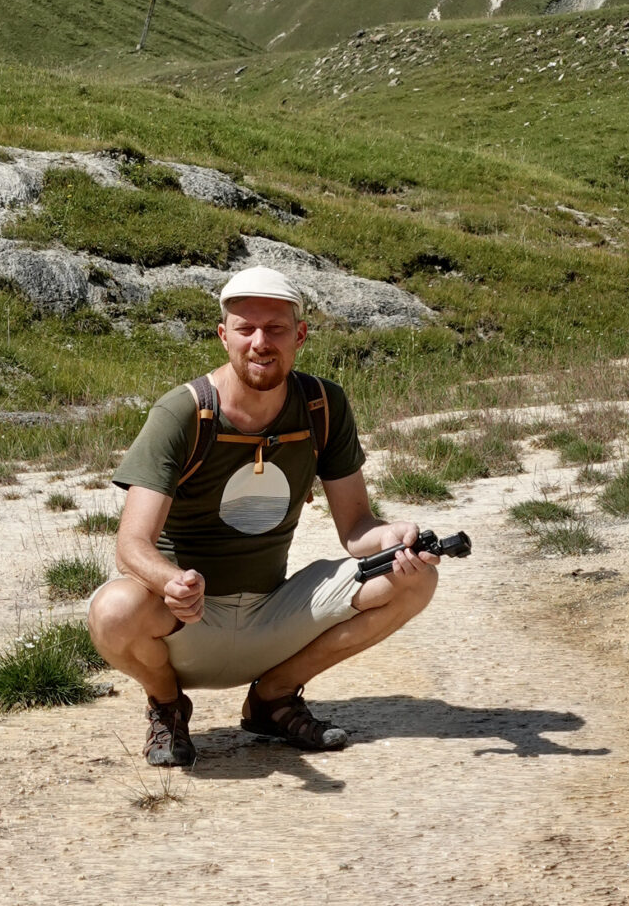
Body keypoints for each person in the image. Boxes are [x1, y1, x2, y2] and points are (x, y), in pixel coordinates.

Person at [86, 266, 439, 766]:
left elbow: (357, 528)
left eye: (275, 329)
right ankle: (167, 706)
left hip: (273, 614)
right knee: (113, 610)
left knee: (416, 581)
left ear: (300, 335)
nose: (259, 342)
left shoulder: (323, 405)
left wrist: (393, 538)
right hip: (186, 622)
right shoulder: (183, 412)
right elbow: (131, 545)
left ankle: (273, 695)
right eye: (245, 328)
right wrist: (173, 583)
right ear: (222, 334)